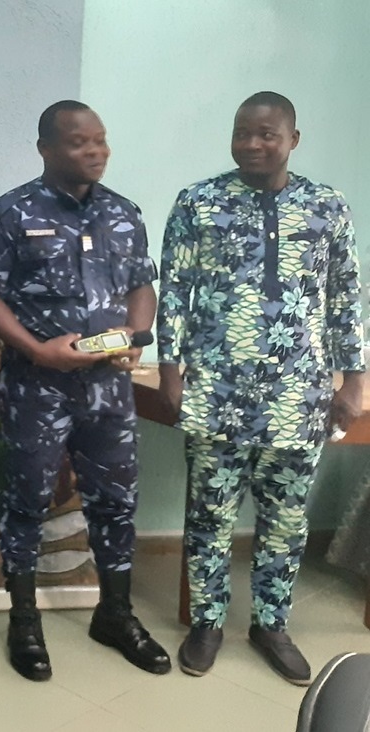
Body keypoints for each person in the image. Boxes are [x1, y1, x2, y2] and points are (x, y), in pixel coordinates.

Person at [158, 91, 365, 685]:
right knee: (209, 514)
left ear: (293, 139)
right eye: (242, 132)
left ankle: (272, 624)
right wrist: (170, 370)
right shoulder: (199, 202)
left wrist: (354, 378)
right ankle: (207, 623)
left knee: (285, 520)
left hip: (299, 396)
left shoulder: (327, 207)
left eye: (266, 134)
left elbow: (347, 296)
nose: (251, 143)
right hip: (218, 389)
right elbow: (174, 288)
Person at [0, 100, 171, 682]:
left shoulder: (123, 212)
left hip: (108, 388)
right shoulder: (7, 213)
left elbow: (142, 283)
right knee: (27, 502)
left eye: (101, 141)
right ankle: (24, 620)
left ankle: (114, 613)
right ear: (46, 148)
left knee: (115, 501)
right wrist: (36, 350)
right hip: (36, 385)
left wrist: (137, 336)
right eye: (80, 142)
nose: (95, 152)